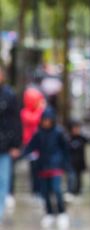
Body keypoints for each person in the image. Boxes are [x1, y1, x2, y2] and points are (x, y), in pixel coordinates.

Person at [22, 107, 72, 229]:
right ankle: (49, 213)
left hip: (55, 166)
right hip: (42, 167)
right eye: (44, 120)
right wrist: (23, 154)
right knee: (45, 192)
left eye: (48, 120)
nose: (46, 122)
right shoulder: (38, 134)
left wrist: (65, 163)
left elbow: (65, 149)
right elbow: (30, 147)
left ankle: (62, 213)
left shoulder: (59, 132)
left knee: (57, 190)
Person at [0, 66, 21, 223]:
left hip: (5, 145)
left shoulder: (9, 95)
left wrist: (15, 144)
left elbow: (15, 122)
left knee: (3, 179)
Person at [67, 121, 87, 197]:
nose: (76, 130)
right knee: (71, 177)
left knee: (79, 177)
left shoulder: (82, 138)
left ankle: (78, 191)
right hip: (71, 162)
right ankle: (70, 191)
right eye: (74, 128)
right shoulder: (68, 138)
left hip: (80, 162)